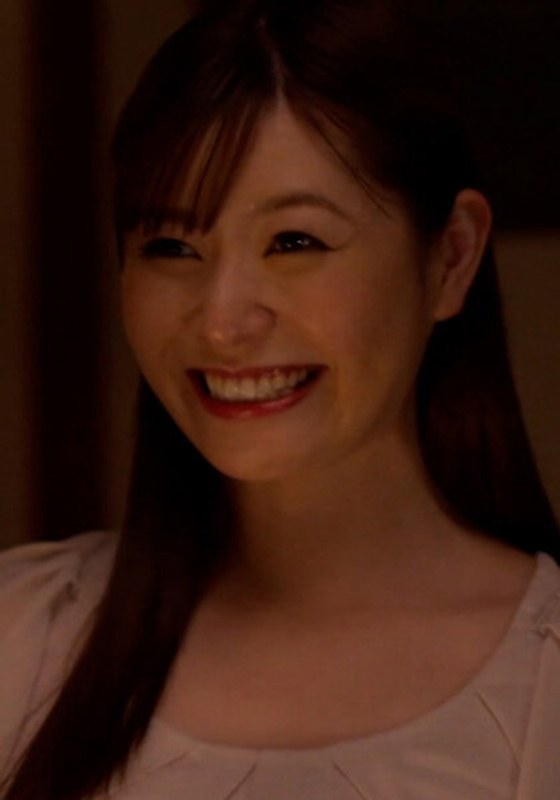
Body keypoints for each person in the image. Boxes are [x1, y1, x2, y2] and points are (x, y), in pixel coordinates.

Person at [2, 0, 560, 797]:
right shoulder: (21, 639)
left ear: (451, 257)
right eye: (172, 247)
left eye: (295, 241)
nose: (222, 322)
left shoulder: (543, 679)